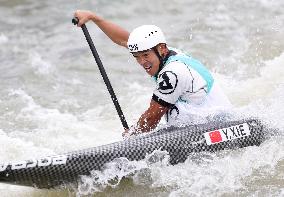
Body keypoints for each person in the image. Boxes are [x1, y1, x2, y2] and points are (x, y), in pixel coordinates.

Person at [74, 10, 232, 138]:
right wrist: (93, 17)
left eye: (145, 55)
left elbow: (151, 119)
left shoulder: (172, 73)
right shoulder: (166, 53)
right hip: (203, 123)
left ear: (161, 48)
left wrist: (132, 136)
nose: (142, 62)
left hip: (217, 127)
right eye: (137, 57)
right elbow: (123, 39)